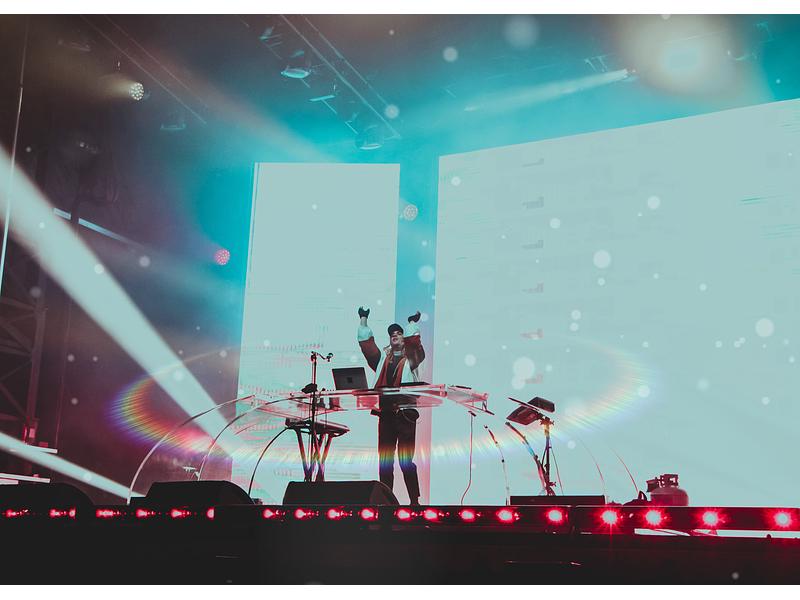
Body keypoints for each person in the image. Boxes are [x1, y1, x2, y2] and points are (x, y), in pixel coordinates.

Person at [357, 306, 425, 505]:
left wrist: (411, 323)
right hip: (386, 414)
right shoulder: (382, 360)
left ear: (404, 338)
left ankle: (414, 502)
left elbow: (415, 344)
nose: (394, 335)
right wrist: (363, 319)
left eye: (398, 333)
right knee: (385, 462)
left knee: (405, 461)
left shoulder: (411, 358)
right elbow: (367, 346)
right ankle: (386, 502)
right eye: (392, 334)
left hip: (405, 415)